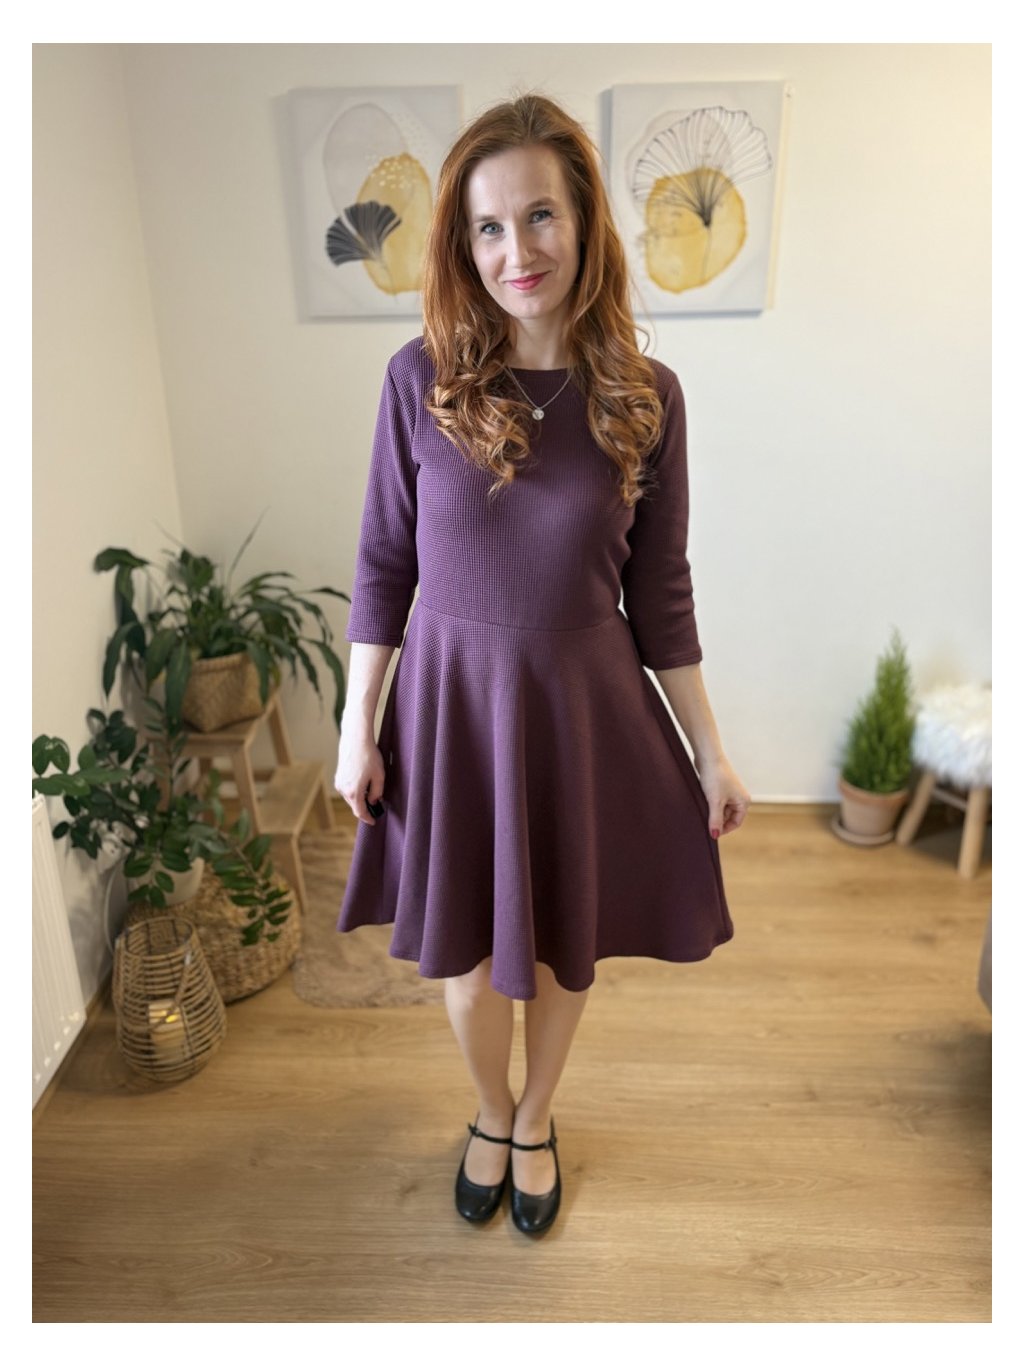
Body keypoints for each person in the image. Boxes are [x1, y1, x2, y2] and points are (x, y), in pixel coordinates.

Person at [334, 92, 750, 1236]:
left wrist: (709, 753)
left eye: (540, 216)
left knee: (564, 950)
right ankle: (488, 1106)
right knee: (466, 965)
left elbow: (660, 593)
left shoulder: (645, 398)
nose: (516, 250)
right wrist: (356, 725)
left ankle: (535, 1117)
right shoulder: (419, 380)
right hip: (449, 713)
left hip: (579, 712)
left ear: (583, 223)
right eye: (487, 226)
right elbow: (382, 565)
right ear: (461, 244)